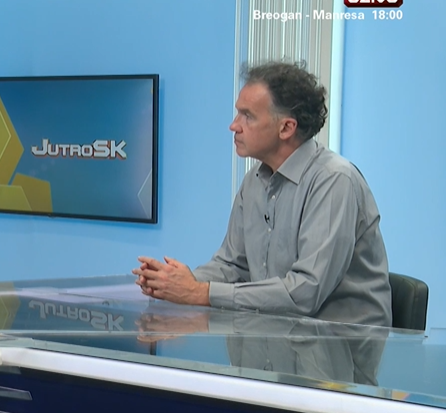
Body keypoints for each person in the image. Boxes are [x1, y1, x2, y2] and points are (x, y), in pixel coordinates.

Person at [133, 61, 392, 327]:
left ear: (286, 128)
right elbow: (232, 266)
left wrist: (201, 293)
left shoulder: (334, 180)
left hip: (341, 343)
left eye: (247, 116)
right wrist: (174, 283)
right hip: (276, 335)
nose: (234, 126)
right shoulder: (253, 181)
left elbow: (305, 292)